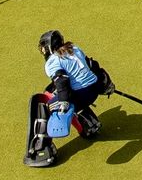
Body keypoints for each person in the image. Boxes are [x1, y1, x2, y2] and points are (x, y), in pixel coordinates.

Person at [24, 30, 115, 167]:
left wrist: (63, 103)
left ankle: (42, 149)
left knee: (44, 103)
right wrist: (105, 83)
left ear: (49, 47)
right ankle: (90, 125)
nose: (43, 51)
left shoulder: (52, 62)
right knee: (54, 91)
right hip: (94, 90)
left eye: (44, 47)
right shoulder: (74, 49)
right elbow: (92, 65)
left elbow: (62, 81)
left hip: (81, 95)